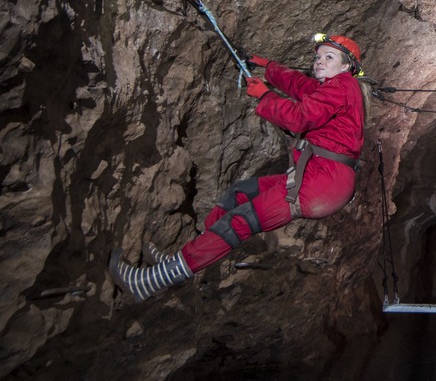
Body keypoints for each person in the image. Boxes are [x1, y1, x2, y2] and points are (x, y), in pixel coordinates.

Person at [109, 33, 369, 301]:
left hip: (322, 183)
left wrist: (265, 96)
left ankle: (150, 282)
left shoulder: (342, 87)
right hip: (319, 177)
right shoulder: (331, 87)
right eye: (317, 56)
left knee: (239, 221)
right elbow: (297, 84)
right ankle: (182, 259)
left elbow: (298, 118)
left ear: (347, 66)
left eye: (329, 57)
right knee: (239, 193)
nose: (319, 61)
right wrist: (267, 66)